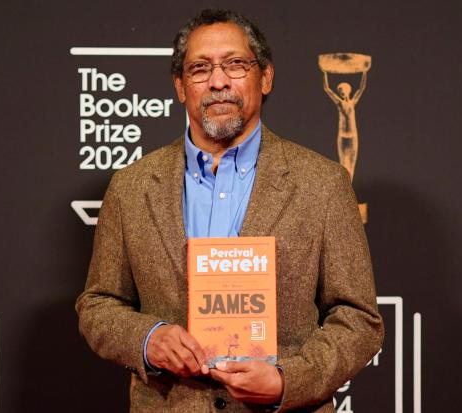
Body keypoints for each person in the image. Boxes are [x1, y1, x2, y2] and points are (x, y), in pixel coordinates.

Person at [76, 9, 383, 412]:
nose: (218, 81)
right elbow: (98, 304)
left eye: (235, 64)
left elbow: (359, 318)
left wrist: (289, 380)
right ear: (180, 87)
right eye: (200, 69)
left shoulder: (323, 183)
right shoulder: (131, 186)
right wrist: (148, 338)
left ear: (266, 77)